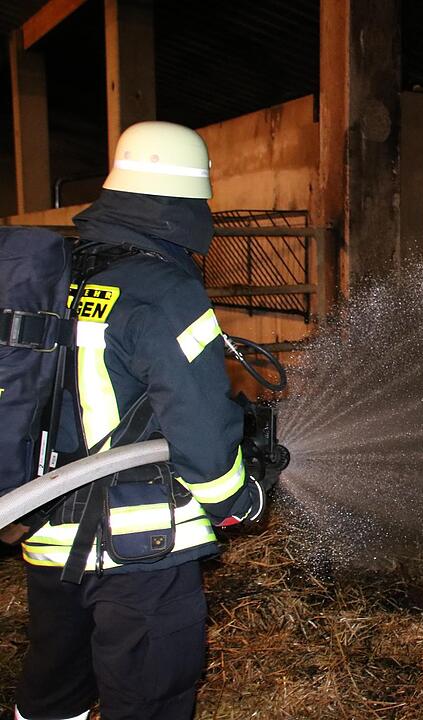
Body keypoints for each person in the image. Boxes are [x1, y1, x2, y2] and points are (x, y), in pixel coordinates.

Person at [10, 121, 266, 720]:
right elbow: (201, 423)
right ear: (184, 204)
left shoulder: (56, 274)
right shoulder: (161, 289)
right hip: (141, 551)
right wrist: (234, 497)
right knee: (149, 701)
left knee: (52, 697)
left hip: (49, 541)